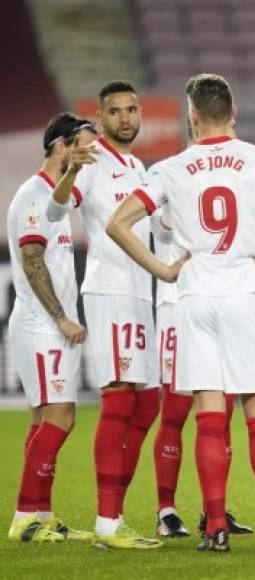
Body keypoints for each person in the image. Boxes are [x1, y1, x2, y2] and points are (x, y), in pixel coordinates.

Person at [106, 73, 255, 552]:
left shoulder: (169, 168)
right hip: (245, 295)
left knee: (208, 416)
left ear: (192, 117)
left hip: (195, 300)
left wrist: (163, 270)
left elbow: (117, 223)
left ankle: (216, 529)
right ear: (234, 113)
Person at [47, 81, 161, 549]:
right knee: (118, 397)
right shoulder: (91, 162)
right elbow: (57, 212)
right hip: (110, 292)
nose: (126, 118)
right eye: (115, 112)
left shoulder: (139, 167)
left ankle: (114, 515)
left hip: (142, 294)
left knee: (148, 401)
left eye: (132, 109)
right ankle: (108, 522)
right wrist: (69, 172)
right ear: (101, 115)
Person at [151, 120, 253, 539]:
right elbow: (162, 229)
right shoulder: (166, 174)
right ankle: (166, 510)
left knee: (221, 411)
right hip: (178, 304)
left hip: (217, 301)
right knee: (175, 410)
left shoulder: (229, 175)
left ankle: (215, 511)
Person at [7, 114, 96, 544]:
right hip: (42, 326)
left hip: (48, 326)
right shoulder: (32, 196)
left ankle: (40, 515)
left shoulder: (56, 196)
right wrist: (61, 317)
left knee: (45, 420)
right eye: (80, 145)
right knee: (61, 418)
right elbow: (32, 261)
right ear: (60, 146)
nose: (86, 153)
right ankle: (25, 515)